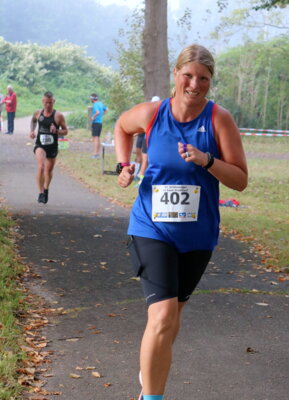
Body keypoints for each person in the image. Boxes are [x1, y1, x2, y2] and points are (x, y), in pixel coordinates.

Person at [114, 44, 248, 400]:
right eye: (188, 75)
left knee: (170, 321)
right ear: (175, 75)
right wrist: (123, 166)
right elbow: (121, 128)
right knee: (161, 318)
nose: (194, 84)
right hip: (150, 227)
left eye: (203, 78)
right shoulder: (153, 114)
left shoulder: (219, 119)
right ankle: (153, 397)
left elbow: (239, 180)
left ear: (209, 81)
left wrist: (207, 161)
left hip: (197, 235)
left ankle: (149, 376)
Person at [30, 91, 68, 204]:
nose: (48, 105)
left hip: (52, 146)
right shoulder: (38, 113)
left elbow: (65, 131)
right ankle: (41, 193)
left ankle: (46, 189)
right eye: (46, 102)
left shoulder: (58, 116)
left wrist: (57, 131)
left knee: (48, 170)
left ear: (54, 102)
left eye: (50, 103)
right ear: (43, 101)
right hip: (40, 144)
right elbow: (33, 121)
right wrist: (32, 130)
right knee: (41, 167)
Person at [90, 93, 108, 159]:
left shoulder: (95, 104)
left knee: (95, 138)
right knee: (97, 138)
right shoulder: (100, 103)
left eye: (91, 98)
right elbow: (106, 110)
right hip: (100, 123)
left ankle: (95, 154)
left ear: (92, 99)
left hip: (96, 123)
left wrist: (93, 117)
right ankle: (97, 153)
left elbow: (97, 112)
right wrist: (101, 116)